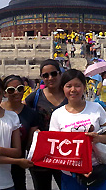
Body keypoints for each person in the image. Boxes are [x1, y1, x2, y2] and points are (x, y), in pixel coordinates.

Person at [50, 69, 106, 190]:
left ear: (84, 87)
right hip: (71, 173)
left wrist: (97, 138)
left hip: (97, 168)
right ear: (63, 88)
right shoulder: (57, 114)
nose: (73, 90)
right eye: (68, 86)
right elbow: (56, 147)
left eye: (77, 86)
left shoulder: (96, 108)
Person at [25, 59, 67, 190]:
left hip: (64, 152)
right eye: (45, 75)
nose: (50, 78)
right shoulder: (35, 97)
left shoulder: (70, 95)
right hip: (41, 152)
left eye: (54, 74)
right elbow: (19, 113)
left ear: (60, 74)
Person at [1, 75, 38, 190]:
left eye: (20, 89)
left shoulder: (31, 114)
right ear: (5, 93)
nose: (16, 93)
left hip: (18, 165)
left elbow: (30, 144)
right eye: (11, 90)